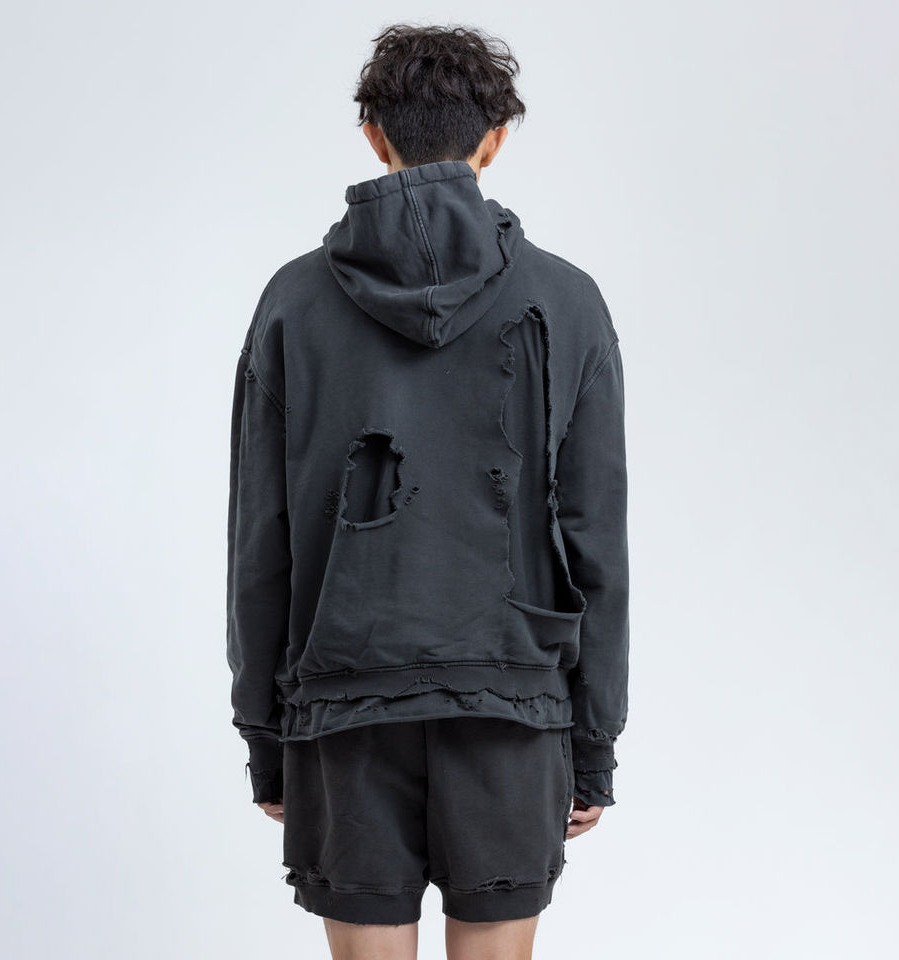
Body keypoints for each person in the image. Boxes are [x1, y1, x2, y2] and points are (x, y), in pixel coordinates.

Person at [226, 22, 630, 960]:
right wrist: (593, 744)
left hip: (342, 708)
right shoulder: (569, 301)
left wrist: (268, 737)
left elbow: (260, 540)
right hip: (512, 708)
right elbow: (596, 540)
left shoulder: (292, 303)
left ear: (375, 136)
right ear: (494, 142)